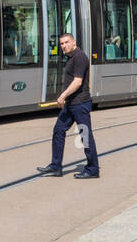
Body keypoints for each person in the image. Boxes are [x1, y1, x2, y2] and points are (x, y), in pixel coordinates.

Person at [37, 33, 100, 179]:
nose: (63, 46)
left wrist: (62, 96)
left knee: (85, 135)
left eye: (66, 42)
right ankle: (56, 166)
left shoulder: (79, 57)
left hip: (80, 104)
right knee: (58, 130)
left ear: (73, 42)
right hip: (71, 105)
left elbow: (78, 82)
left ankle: (92, 169)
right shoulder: (71, 57)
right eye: (61, 44)